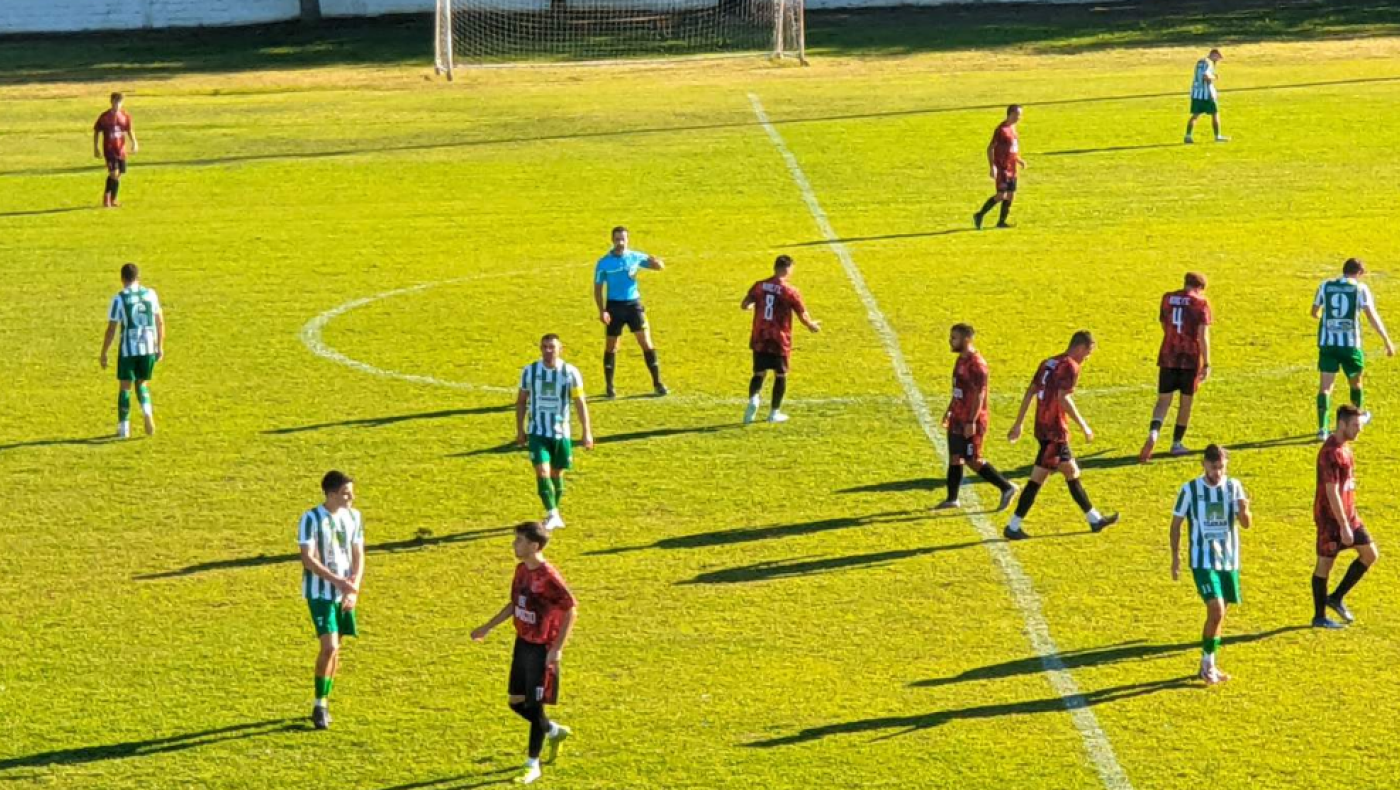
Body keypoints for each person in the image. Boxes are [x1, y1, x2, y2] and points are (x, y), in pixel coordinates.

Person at [473, 522, 578, 786]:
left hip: (541, 648)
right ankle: (553, 730)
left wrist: (557, 649)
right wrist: (487, 627)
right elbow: (514, 603)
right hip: (523, 643)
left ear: (534, 545)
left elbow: (570, 609)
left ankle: (532, 764)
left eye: (519, 540)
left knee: (534, 704)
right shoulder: (521, 570)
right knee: (515, 702)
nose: (514, 545)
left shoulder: (548, 577)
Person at [1004, 331, 1118, 540]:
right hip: (1055, 431)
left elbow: (1030, 391)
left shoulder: (1048, 362)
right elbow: (1063, 398)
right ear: (1081, 347)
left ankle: (1095, 520)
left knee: (1071, 471)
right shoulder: (1070, 366)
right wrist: (1084, 426)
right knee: (1038, 478)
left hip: (1042, 427)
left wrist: (1019, 423)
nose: (1087, 357)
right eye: (1088, 352)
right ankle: (1013, 526)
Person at [1170, 444, 1251, 685]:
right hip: (1202, 561)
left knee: (1220, 614)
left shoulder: (1233, 487)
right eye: (1213, 467)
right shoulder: (1190, 490)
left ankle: (1208, 664)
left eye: (1221, 468)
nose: (1217, 473)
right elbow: (1176, 525)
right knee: (1215, 610)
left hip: (1228, 561)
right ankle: (1208, 666)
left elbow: (1245, 524)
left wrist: (1245, 510)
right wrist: (1175, 557)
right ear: (1203, 464)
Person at [297, 470, 365, 730]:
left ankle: (324, 700)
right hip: (320, 593)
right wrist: (338, 581)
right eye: (346, 493)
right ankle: (319, 705)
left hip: (345, 592)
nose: (351, 498)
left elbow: (358, 553)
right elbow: (308, 558)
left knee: (337, 648)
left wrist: (353, 588)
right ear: (331, 494)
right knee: (330, 647)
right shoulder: (311, 519)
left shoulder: (354, 517)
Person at [935, 324, 1018, 511]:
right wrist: (950, 409)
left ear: (966, 340)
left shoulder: (977, 365)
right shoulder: (960, 360)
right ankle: (952, 499)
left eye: (954, 337)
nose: (950, 340)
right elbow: (958, 389)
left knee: (973, 459)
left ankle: (1006, 487)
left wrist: (971, 421)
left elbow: (979, 395)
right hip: (957, 416)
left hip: (972, 420)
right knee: (955, 457)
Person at [1311, 405, 1379, 629]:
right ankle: (1319, 617)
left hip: (1350, 516)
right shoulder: (1330, 453)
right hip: (1332, 520)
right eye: (1355, 426)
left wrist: (1349, 521)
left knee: (1369, 554)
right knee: (1324, 566)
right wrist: (1343, 526)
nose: (1359, 430)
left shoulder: (1345, 445)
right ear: (1342, 425)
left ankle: (1336, 598)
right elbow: (1331, 492)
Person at [517, 334, 594, 531]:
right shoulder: (530, 371)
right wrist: (520, 430)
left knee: (557, 473)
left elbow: (579, 403)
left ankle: (554, 512)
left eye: (552, 347)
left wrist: (587, 432)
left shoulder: (570, 373)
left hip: (561, 432)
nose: (548, 351)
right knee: (542, 471)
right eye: (544, 347)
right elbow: (521, 401)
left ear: (561, 349)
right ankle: (552, 512)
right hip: (537, 432)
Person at [1312, 257, 1394, 440]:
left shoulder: (1325, 285)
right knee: (1356, 384)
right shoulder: (1360, 289)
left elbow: (1314, 312)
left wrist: (1324, 319)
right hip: (1350, 346)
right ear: (1359, 273)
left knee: (1325, 388)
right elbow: (1371, 316)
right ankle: (1357, 420)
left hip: (1328, 345)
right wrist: (1386, 340)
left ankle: (1322, 429)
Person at [1140, 272, 1213, 462]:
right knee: (1186, 402)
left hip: (1168, 354)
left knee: (1163, 400)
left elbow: (1164, 324)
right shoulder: (1201, 303)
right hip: (1189, 358)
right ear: (1200, 288)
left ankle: (1154, 432)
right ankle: (1176, 443)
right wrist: (1206, 362)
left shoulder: (1168, 298)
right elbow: (1202, 336)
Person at [741, 255, 821, 424]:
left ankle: (754, 398)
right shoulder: (790, 291)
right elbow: (802, 313)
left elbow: (745, 303)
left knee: (758, 373)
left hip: (760, 336)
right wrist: (811, 325)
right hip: (779, 338)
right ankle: (774, 412)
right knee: (780, 375)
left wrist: (751, 305)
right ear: (787, 269)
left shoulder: (760, 285)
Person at [593, 226, 667, 398]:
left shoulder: (635, 257)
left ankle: (657, 383)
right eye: (617, 239)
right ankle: (609, 386)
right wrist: (602, 310)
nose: (620, 242)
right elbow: (597, 289)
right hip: (614, 307)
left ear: (628, 240)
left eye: (623, 239)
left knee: (646, 343)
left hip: (633, 306)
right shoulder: (604, 263)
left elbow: (659, 267)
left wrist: (657, 263)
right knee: (611, 346)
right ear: (612, 240)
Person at [100, 263, 164, 438]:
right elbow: (160, 321)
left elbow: (111, 329)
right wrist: (160, 347)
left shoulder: (119, 299)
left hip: (129, 349)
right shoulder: (151, 294)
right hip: (149, 346)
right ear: (138, 277)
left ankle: (124, 428)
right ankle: (147, 412)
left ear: (122, 279)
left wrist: (104, 352)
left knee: (125, 387)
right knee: (142, 384)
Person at [974, 105, 1026, 230]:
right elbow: (990, 148)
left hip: (1012, 168)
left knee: (1011, 195)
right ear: (1011, 114)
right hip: (1002, 168)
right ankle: (979, 215)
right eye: (1018, 114)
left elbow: (1012, 149)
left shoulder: (1013, 128)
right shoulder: (1001, 130)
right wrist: (992, 166)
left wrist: (1019, 160)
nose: (1020, 117)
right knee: (1001, 195)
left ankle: (1001, 222)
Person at [93, 91, 139, 208]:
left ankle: (113, 199)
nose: (117, 104)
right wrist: (96, 148)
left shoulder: (125, 116)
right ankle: (106, 198)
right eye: (115, 101)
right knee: (113, 173)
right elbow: (97, 131)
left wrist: (134, 142)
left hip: (121, 150)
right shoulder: (104, 117)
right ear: (111, 102)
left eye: (120, 102)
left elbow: (129, 130)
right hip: (109, 150)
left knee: (118, 175)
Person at [1185, 49, 1228, 144]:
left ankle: (1188, 136)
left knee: (1195, 115)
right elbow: (1205, 76)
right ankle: (1218, 136)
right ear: (1214, 54)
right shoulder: (1209, 63)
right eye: (1218, 57)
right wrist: (1214, 77)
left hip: (1196, 94)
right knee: (1215, 113)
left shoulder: (1200, 62)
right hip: (1207, 94)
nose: (1218, 60)